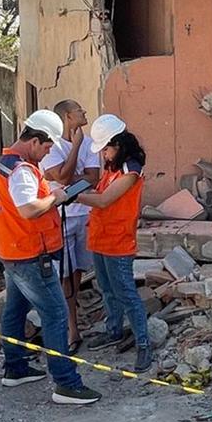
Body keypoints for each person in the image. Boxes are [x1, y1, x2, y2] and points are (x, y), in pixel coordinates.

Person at [0, 109, 101, 405]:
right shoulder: (22, 170)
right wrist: (56, 197)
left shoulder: (6, 163)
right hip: (29, 254)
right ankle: (66, 383)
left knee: (14, 310)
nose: (49, 152)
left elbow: (20, 203)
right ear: (35, 140)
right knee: (55, 314)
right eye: (48, 146)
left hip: (12, 250)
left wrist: (49, 190)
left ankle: (15, 368)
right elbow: (28, 209)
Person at [77, 115, 152, 372]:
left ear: (118, 144)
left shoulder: (131, 170)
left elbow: (103, 200)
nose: (104, 155)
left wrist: (72, 195)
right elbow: (100, 193)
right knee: (107, 289)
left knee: (126, 293)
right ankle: (114, 331)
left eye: (106, 149)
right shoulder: (113, 166)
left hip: (119, 241)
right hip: (101, 237)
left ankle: (143, 343)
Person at [41, 99, 100, 353]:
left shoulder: (89, 142)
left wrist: (66, 176)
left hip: (84, 214)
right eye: (80, 110)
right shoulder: (52, 145)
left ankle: (72, 322)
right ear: (67, 116)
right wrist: (74, 149)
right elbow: (63, 177)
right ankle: (70, 329)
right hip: (61, 216)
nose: (84, 112)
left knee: (77, 272)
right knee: (64, 274)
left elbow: (93, 178)